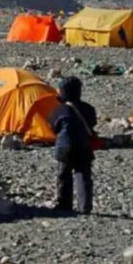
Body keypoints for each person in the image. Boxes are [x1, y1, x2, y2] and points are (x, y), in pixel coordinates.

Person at [48, 76, 97, 214]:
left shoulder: (60, 110)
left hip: (65, 146)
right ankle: (85, 206)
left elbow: (53, 126)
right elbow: (92, 123)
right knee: (83, 175)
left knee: (64, 175)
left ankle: (64, 203)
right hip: (84, 146)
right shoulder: (88, 108)